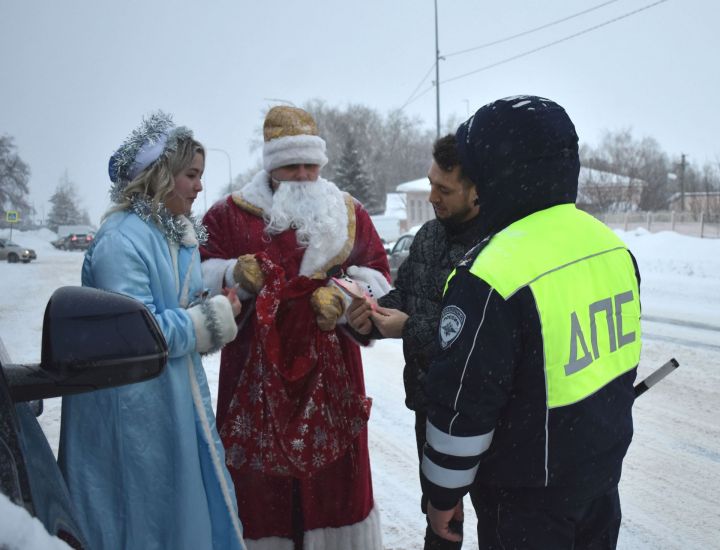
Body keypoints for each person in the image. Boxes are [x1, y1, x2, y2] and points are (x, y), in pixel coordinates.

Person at [420, 96, 642, 549]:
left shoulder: (491, 273)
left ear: (501, 171)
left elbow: (464, 407)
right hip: (599, 484)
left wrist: (442, 497)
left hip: (525, 504)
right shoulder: (611, 248)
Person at [200, 106, 390, 549]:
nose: (304, 175)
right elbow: (195, 280)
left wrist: (343, 298)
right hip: (255, 375)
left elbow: (380, 277)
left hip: (332, 377)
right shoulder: (228, 216)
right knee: (261, 492)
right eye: (291, 165)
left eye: (311, 164)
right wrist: (232, 276)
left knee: (334, 488)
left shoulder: (349, 212)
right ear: (271, 165)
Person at [58, 112, 247, 550]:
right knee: (139, 511)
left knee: (177, 504)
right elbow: (134, 333)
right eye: (191, 175)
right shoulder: (121, 240)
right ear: (161, 176)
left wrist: (218, 305)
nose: (200, 187)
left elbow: (181, 307)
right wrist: (209, 319)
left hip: (170, 396)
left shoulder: (174, 235)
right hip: (130, 407)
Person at [347, 133, 481, 549]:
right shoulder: (427, 237)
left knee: (501, 519)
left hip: (484, 411)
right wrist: (368, 314)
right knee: (441, 521)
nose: (433, 197)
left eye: (445, 189)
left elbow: (471, 332)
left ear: (477, 192)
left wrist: (407, 328)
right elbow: (403, 295)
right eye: (431, 184)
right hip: (431, 405)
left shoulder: (495, 245)